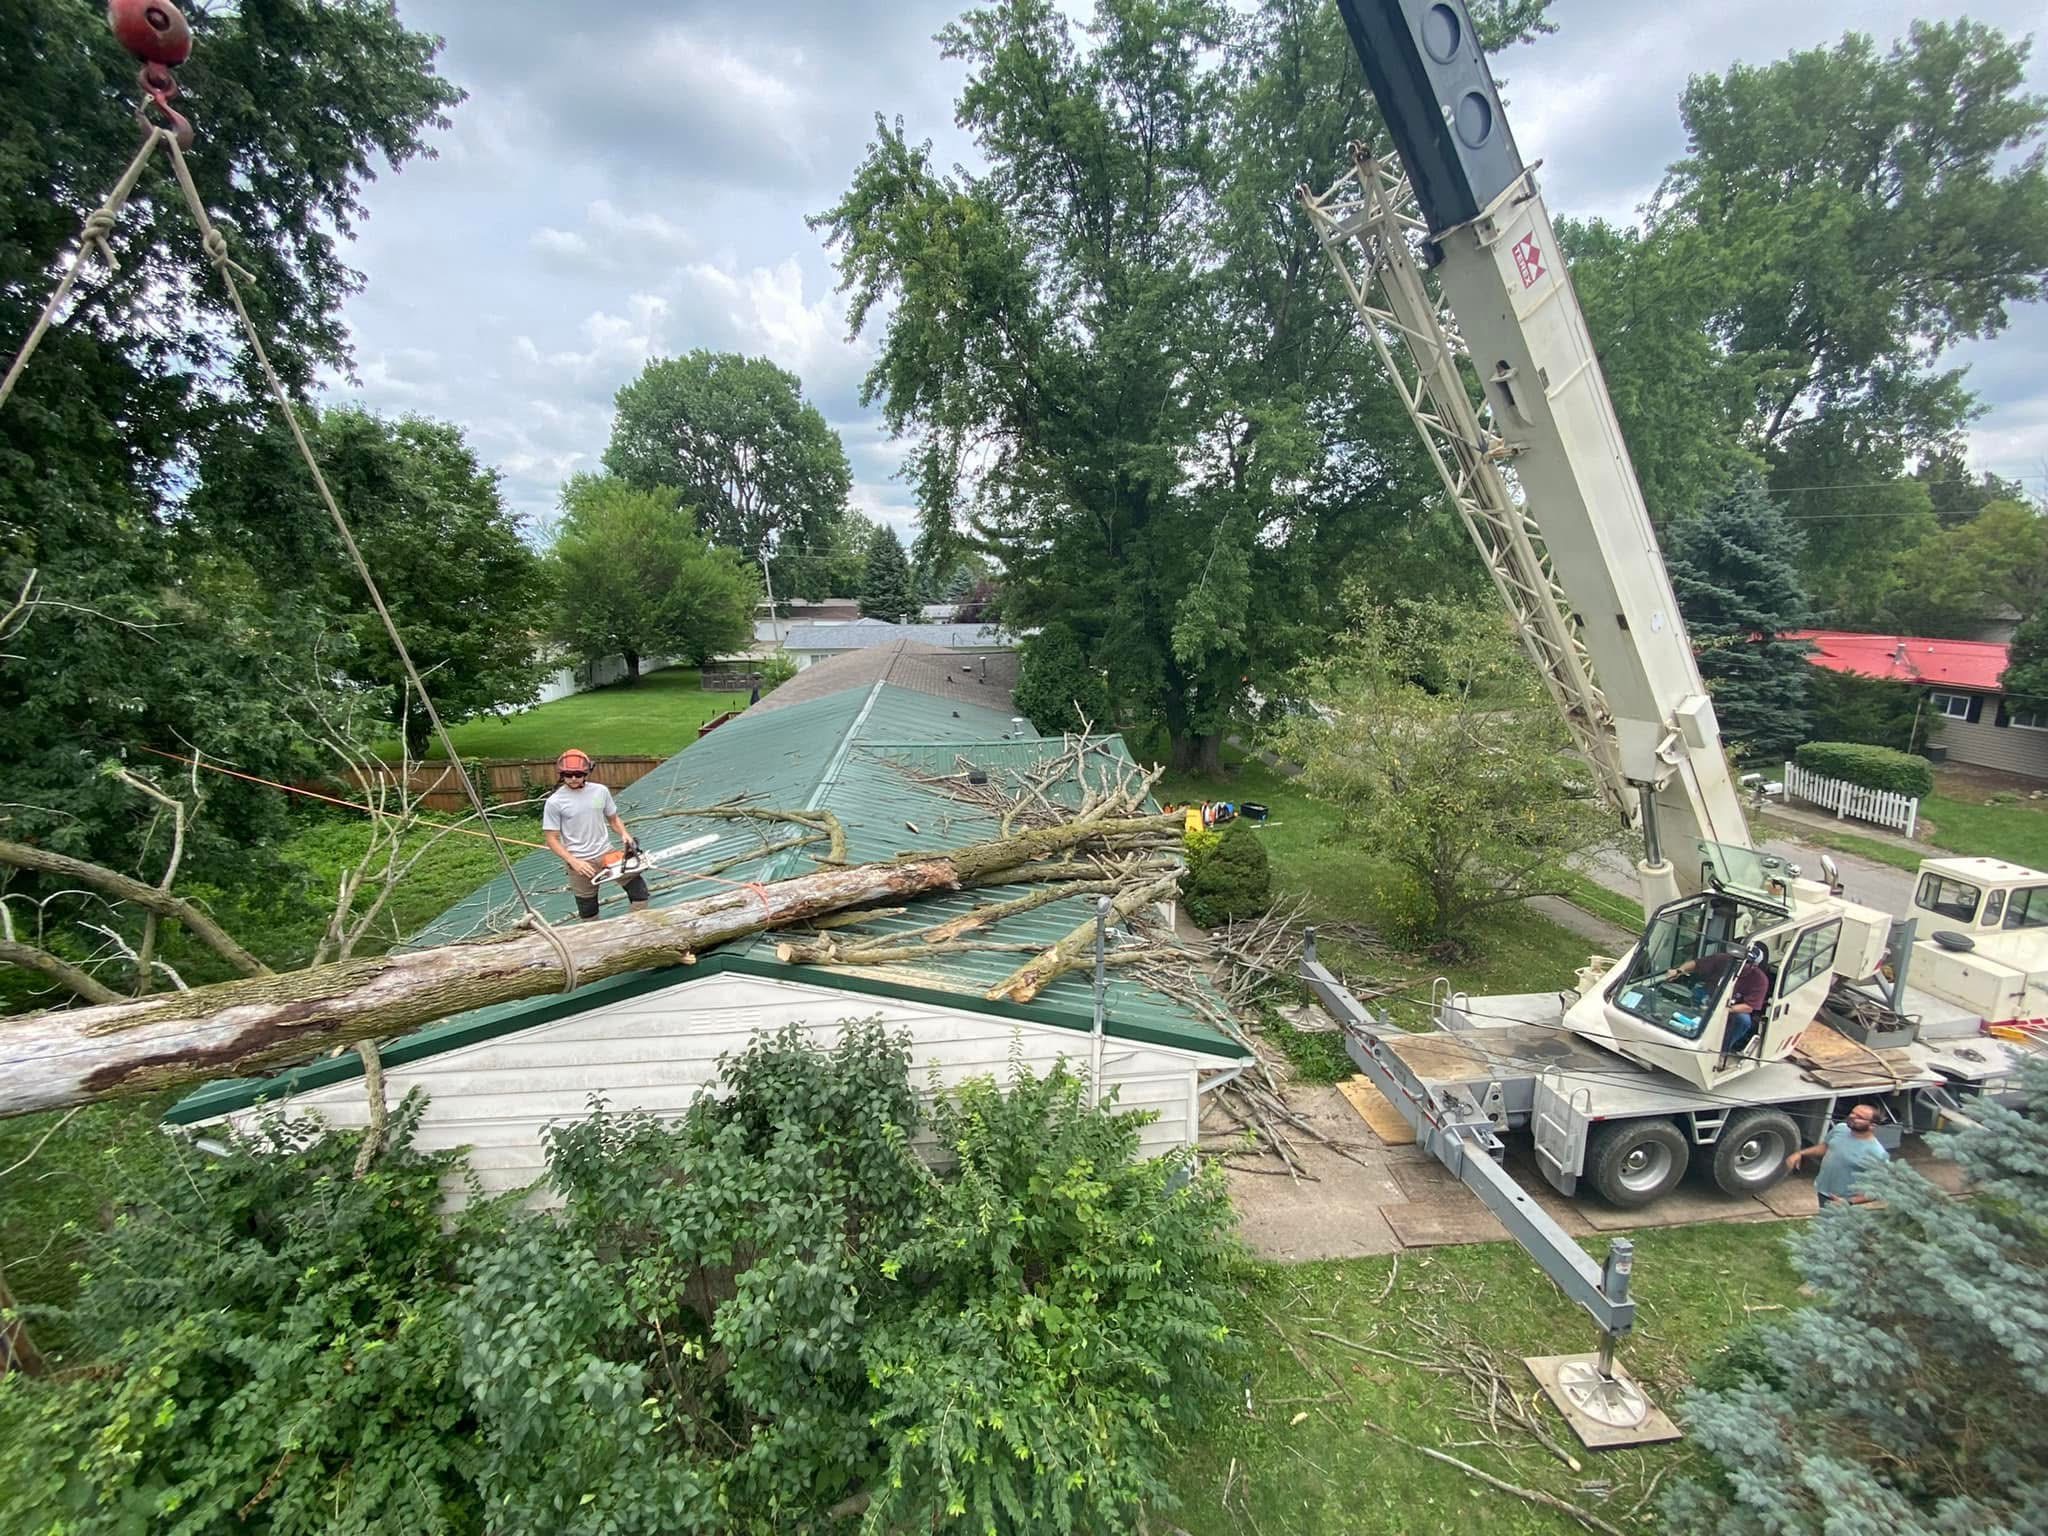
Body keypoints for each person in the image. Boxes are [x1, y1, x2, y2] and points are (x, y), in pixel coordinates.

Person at [542, 748, 649, 921]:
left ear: (586, 772)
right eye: (568, 775)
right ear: (562, 775)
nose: (574, 778)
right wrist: (573, 861)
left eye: (578, 774)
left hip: (606, 852)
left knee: (639, 892)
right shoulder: (555, 802)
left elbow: (613, 819)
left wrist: (624, 834)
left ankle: (635, 927)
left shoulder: (600, 792)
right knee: (588, 910)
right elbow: (551, 839)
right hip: (580, 862)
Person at [1661, 943, 1770, 1054]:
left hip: (1731, 1007)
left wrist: (1724, 1009)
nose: (1739, 963)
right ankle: (1673, 1031)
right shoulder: (1723, 959)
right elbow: (1696, 964)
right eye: (1738, 959)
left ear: (1754, 965)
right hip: (1708, 994)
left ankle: (1720, 1051)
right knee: (1686, 996)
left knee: (1743, 1020)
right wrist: (1678, 971)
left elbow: (1748, 1007)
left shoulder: (1760, 980)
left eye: (1745, 962)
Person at [1786, 1102, 1891, 1206]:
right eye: (1852, 1113)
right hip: (1823, 1191)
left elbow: (1881, 1188)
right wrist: (1800, 1153)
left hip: (1845, 1203)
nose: (1852, 1116)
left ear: (1872, 1126)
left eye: (1859, 1117)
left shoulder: (1877, 1153)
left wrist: (1849, 1202)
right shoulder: (1841, 1129)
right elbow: (1826, 1147)